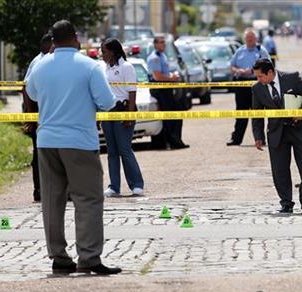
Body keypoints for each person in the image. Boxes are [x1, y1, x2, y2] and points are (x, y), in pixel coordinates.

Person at [25, 20, 121, 275]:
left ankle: (58, 256)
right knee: (87, 199)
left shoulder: (40, 65)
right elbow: (106, 102)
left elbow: (32, 95)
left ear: (53, 40)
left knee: (52, 201)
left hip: (46, 142)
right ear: (76, 38)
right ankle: (89, 256)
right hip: (79, 141)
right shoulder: (89, 67)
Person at [252, 58, 302, 213]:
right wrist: (258, 136)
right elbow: (256, 114)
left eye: (260, 76)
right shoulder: (257, 89)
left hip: (300, 130)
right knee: (279, 169)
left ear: (270, 72)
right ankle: (286, 202)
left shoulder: (292, 78)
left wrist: (301, 113)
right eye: (256, 77)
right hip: (276, 133)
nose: (258, 80)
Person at [100, 38, 144, 198]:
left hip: (123, 109)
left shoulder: (126, 67)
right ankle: (114, 186)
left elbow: (132, 92)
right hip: (108, 112)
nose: (102, 54)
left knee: (124, 149)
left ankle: (137, 184)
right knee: (111, 151)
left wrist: (129, 114)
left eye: (104, 51)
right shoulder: (104, 68)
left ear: (113, 51)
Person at [22, 33, 53, 202]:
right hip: (40, 114)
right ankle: (39, 190)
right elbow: (25, 89)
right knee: (40, 154)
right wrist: (30, 116)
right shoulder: (39, 62)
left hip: (49, 113)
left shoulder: (50, 61)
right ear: (48, 45)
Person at [227, 28, 270, 146]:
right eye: (247, 38)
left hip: (256, 84)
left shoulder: (261, 51)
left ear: (255, 39)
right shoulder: (240, 51)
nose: (249, 40)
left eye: (251, 38)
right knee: (241, 112)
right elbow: (231, 66)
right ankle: (236, 139)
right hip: (241, 84)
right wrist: (238, 70)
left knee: (257, 114)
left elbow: (268, 66)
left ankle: (260, 139)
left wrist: (252, 71)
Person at [147, 35, 189, 149]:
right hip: (160, 90)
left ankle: (175, 140)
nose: (163, 45)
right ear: (155, 44)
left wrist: (172, 76)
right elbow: (157, 76)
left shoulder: (163, 56)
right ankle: (173, 141)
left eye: (164, 43)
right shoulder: (154, 58)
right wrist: (172, 79)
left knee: (175, 114)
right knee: (170, 116)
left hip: (166, 89)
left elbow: (163, 73)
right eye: (161, 42)